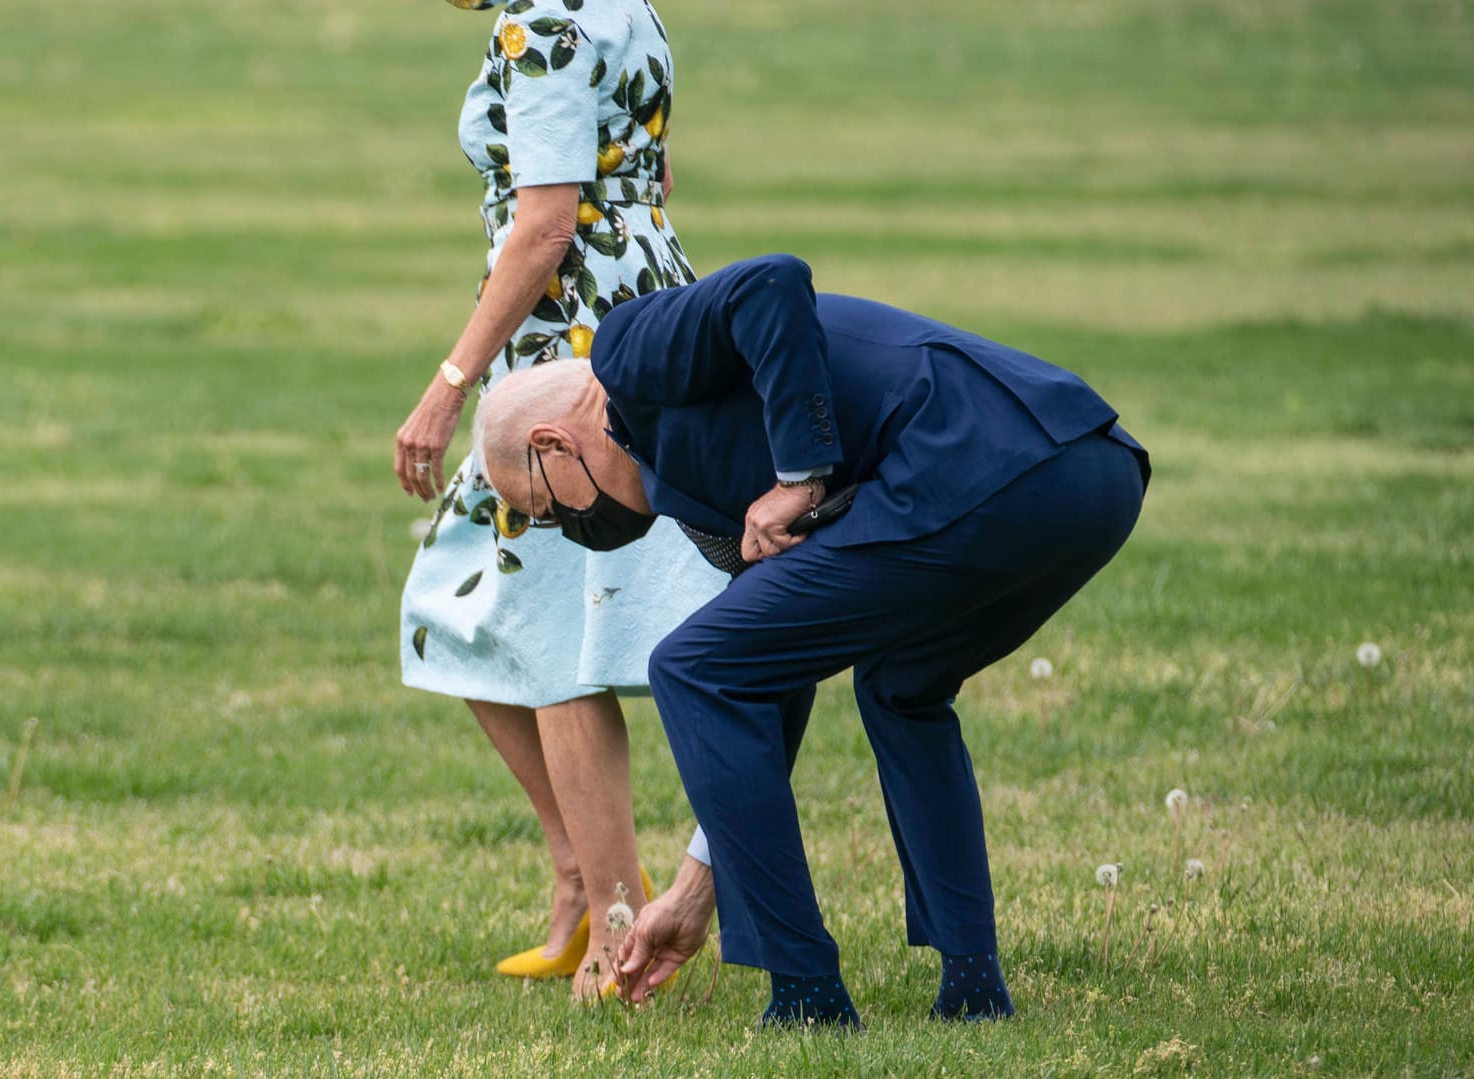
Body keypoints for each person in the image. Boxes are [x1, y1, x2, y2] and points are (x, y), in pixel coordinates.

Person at [471, 253, 1150, 1027]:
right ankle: (973, 987)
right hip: (1086, 471)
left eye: (548, 510)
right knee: (901, 686)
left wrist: (800, 472)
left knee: (691, 667)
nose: (567, 527)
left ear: (555, 445)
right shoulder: (700, 493)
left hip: (992, 463)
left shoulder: (625, 355)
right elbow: (771, 684)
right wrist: (696, 892)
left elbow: (772, 283)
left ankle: (807, 994)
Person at [395, 0, 726, 997]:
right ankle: (583, 874)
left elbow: (542, 227)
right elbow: (653, 172)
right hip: (649, 307)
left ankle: (618, 930)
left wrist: (449, 386)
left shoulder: (537, 23)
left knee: (553, 643)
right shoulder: (623, 5)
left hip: (569, 352)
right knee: (459, 608)